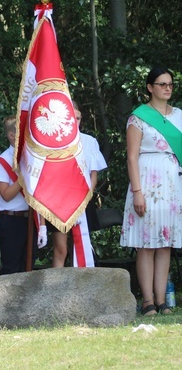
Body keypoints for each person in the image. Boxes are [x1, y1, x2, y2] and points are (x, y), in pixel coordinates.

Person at [121, 67, 182, 316]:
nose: (167, 88)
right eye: (162, 84)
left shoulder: (179, 115)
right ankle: (147, 301)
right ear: (150, 87)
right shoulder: (139, 117)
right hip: (147, 181)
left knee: (165, 243)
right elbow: (132, 157)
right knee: (146, 244)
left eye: (170, 84)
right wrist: (137, 191)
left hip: (172, 183)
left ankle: (162, 300)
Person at [49, 101, 107, 268]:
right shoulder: (54, 142)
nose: (75, 122)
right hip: (59, 202)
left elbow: (93, 174)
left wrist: (86, 197)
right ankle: (56, 290)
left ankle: (82, 288)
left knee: (81, 244)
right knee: (61, 249)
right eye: (71, 118)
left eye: (79, 118)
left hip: (83, 200)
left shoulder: (89, 141)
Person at [0, 116, 47, 275]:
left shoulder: (31, 159)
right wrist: (23, 177)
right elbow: (6, 195)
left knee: (28, 269)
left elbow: (39, 194)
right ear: (11, 135)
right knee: (12, 270)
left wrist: (42, 225)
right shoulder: (2, 162)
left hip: (30, 218)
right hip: (11, 220)